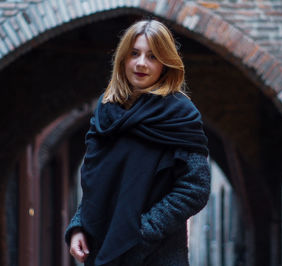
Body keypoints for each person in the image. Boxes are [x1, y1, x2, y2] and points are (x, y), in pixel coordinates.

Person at [65, 19, 211, 266]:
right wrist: (79, 225)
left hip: (156, 254)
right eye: (135, 54)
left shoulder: (179, 114)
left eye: (152, 56)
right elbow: (97, 183)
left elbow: (195, 187)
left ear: (165, 65)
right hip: (102, 247)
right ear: (123, 58)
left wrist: (142, 231)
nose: (141, 63)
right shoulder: (106, 112)